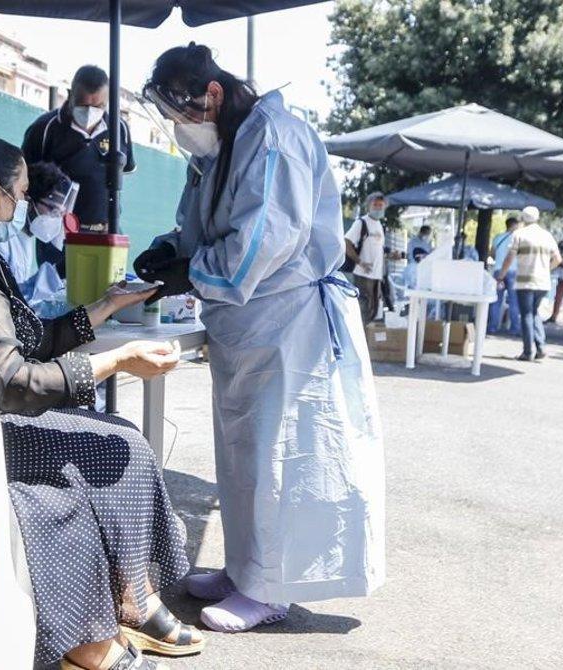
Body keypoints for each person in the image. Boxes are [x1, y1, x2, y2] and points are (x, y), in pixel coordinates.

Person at [0, 135, 197, 670]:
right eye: (22, 193)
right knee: (68, 471)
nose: (25, 204)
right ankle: (86, 644)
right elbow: (14, 383)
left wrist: (104, 305)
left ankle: (134, 597)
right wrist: (115, 361)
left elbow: (27, 343)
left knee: (123, 437)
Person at [137, 43, 385, 633]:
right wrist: (173, 249)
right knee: (242, 459)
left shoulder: (274, 136)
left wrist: (191, 272)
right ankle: (244, 570)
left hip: (286, 323)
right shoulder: (219, 147)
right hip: (246, 328)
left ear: (213, 94)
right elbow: (201, 223)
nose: (179, 129)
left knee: (281, 459)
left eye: (181, 115)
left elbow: (264, 241)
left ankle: (270, 588)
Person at [22, 65, 136, 275]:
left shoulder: (119, 128)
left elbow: (125, 169)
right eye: (83, 105)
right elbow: (24, 182)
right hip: (58, 235)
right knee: (57, 297)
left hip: (106, 230)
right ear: (70, 95)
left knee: (109, 297)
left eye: (99, 105)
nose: (91, 112)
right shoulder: (45, 128)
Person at [0, 161, 78, 316]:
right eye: (52, 209)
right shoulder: (1, 239)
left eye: (60, 213)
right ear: (29, 203)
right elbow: (7, 299)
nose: (56, 218)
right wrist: (56, 274)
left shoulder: (25, 238)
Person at [499, 206, 561, 361]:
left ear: (523, 219)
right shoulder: (547, 236)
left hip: (525, 281)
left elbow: (509, 258)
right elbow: (558, 259)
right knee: (534, 312)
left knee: (526, 314)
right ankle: (541, 347)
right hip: (543, 281)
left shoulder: (519, 234)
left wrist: (501, 275)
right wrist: (546, 269)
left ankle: (528, 351)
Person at [343, 191, 388, 323]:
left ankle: (367, 338)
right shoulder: (361, 223)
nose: (378, 208)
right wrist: (360, 262)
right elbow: (346, 243)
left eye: (381, 205)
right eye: (375, 205)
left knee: (373, 309)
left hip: (376, 275)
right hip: (363, 274)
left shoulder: (380, 225)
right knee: (364, 308)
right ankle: (360, 339)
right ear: (368, 206)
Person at [487, 216, 522, 336]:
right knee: (514, 301)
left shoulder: (498, 238)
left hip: (498, 271)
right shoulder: (518, 239)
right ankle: (514, 328)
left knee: (496, 300)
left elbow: (491, 254)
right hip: (514, 271)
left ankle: (492, 327)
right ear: (514, 225)